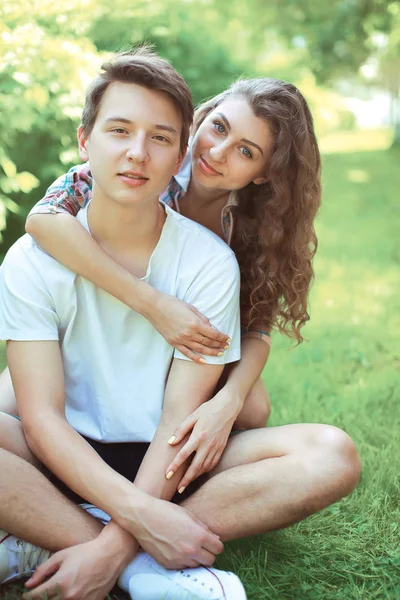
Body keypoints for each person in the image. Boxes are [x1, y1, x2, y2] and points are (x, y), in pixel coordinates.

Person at [0, 47, 361, 600]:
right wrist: (152, 303)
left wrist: (228, 400)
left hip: (176, 408)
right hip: (93, 388)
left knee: (275, 419)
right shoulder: (122, 173)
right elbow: (41, 222)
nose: (217, 152)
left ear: (265, 173)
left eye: (245, 151)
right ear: (200, 121)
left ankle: (83, 538)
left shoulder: (238, 238)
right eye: (217, 129)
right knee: (19, 394)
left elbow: (256, 330)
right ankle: (137, 553)